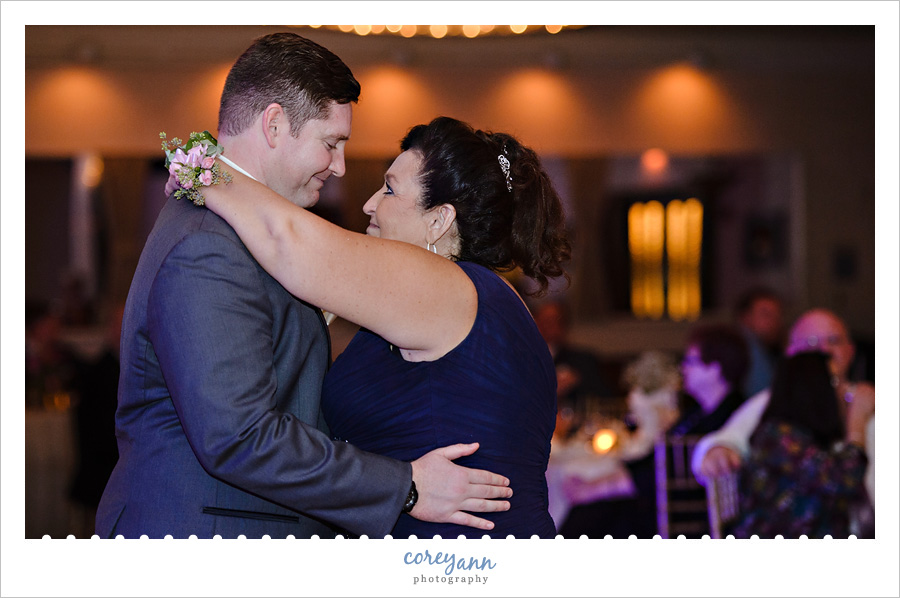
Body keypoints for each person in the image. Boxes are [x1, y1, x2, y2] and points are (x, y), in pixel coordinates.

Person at [96, 33, 512, 540]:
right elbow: (240, 437)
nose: (339, 166)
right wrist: (404, 486)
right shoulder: (209, 245)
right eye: (331, 142)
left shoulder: (242, 225)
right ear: (274, 124)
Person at [198, 114, 570, 538]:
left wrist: (199, 169)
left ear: (439, 220)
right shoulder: (441, 301)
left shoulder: (446, 289)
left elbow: (287, 240)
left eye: (390, 189)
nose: (369, 204)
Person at [692, 308, 875, 512]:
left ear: (850, 351)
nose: (824, 350)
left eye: (833, 341)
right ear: (791, 353)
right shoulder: (774, 405)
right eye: (811, 343)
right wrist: (719, 450)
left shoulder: (868, 397)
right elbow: (726, 440)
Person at [731, 352, 873, 538]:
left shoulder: (808, 438)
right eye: (835, 381)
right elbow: (842, 481)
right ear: (811, 387)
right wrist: (857, 422)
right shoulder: (777, 437)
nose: (844, 391)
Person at [533, 299, 615, 422]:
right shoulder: (523, 360)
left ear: (564, 325)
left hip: (576, 428)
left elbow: (605, 399)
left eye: (554, 321)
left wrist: (578, 381)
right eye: (544, 321)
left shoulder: (583, 360)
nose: (548, 326)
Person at [734, 287, 785, 397]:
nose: (774, 321)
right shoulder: (748, 350)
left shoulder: (769, 348)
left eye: (777, 314)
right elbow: (764, 395)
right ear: (746, 318)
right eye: (766, 314)